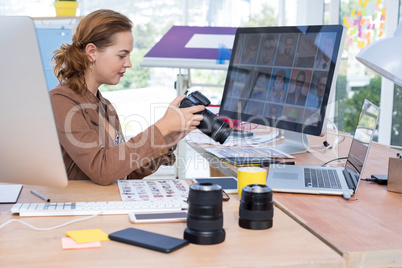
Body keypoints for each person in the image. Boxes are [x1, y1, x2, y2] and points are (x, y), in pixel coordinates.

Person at [50, 9, 204, 186]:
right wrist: (161, 127)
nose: (129, 63)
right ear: (92, 52)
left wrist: (168, 138)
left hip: (105, 204)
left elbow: (126, 173)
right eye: (122, 55)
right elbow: (102, 170)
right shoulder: (60, 101)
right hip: (80, 208)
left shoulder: (105, 106)